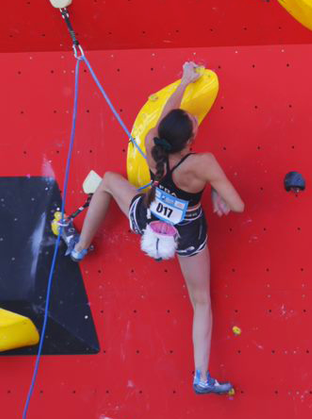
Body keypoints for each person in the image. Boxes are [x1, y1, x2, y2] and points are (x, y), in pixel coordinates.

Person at [57, 61, 245, 395]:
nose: (194, 117)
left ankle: (79, 247)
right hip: (185, 235)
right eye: (193, 121)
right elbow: (238, 205)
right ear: (191, 140)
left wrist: (184, 82)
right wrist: (215, 188)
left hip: (149, 219)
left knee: (110, 182)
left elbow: (164, 119)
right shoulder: (203, 165)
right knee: (200, 301)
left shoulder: (152, 144)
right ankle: (201, 376)